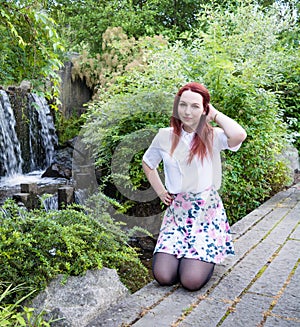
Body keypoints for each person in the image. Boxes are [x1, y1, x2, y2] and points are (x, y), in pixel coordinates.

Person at [142, 82, 247, 291]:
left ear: (204, 109)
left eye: (195, 106)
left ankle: (208, 252)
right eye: (183, 105)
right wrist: (161, 191)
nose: (187, 111)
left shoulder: (213, 135)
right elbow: (148, 163)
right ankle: (185, 255)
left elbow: (239, 135)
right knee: (163, 276)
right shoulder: (164, 136)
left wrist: (215, 114)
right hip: (177, 215)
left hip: (206, 215)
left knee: (190, 281)